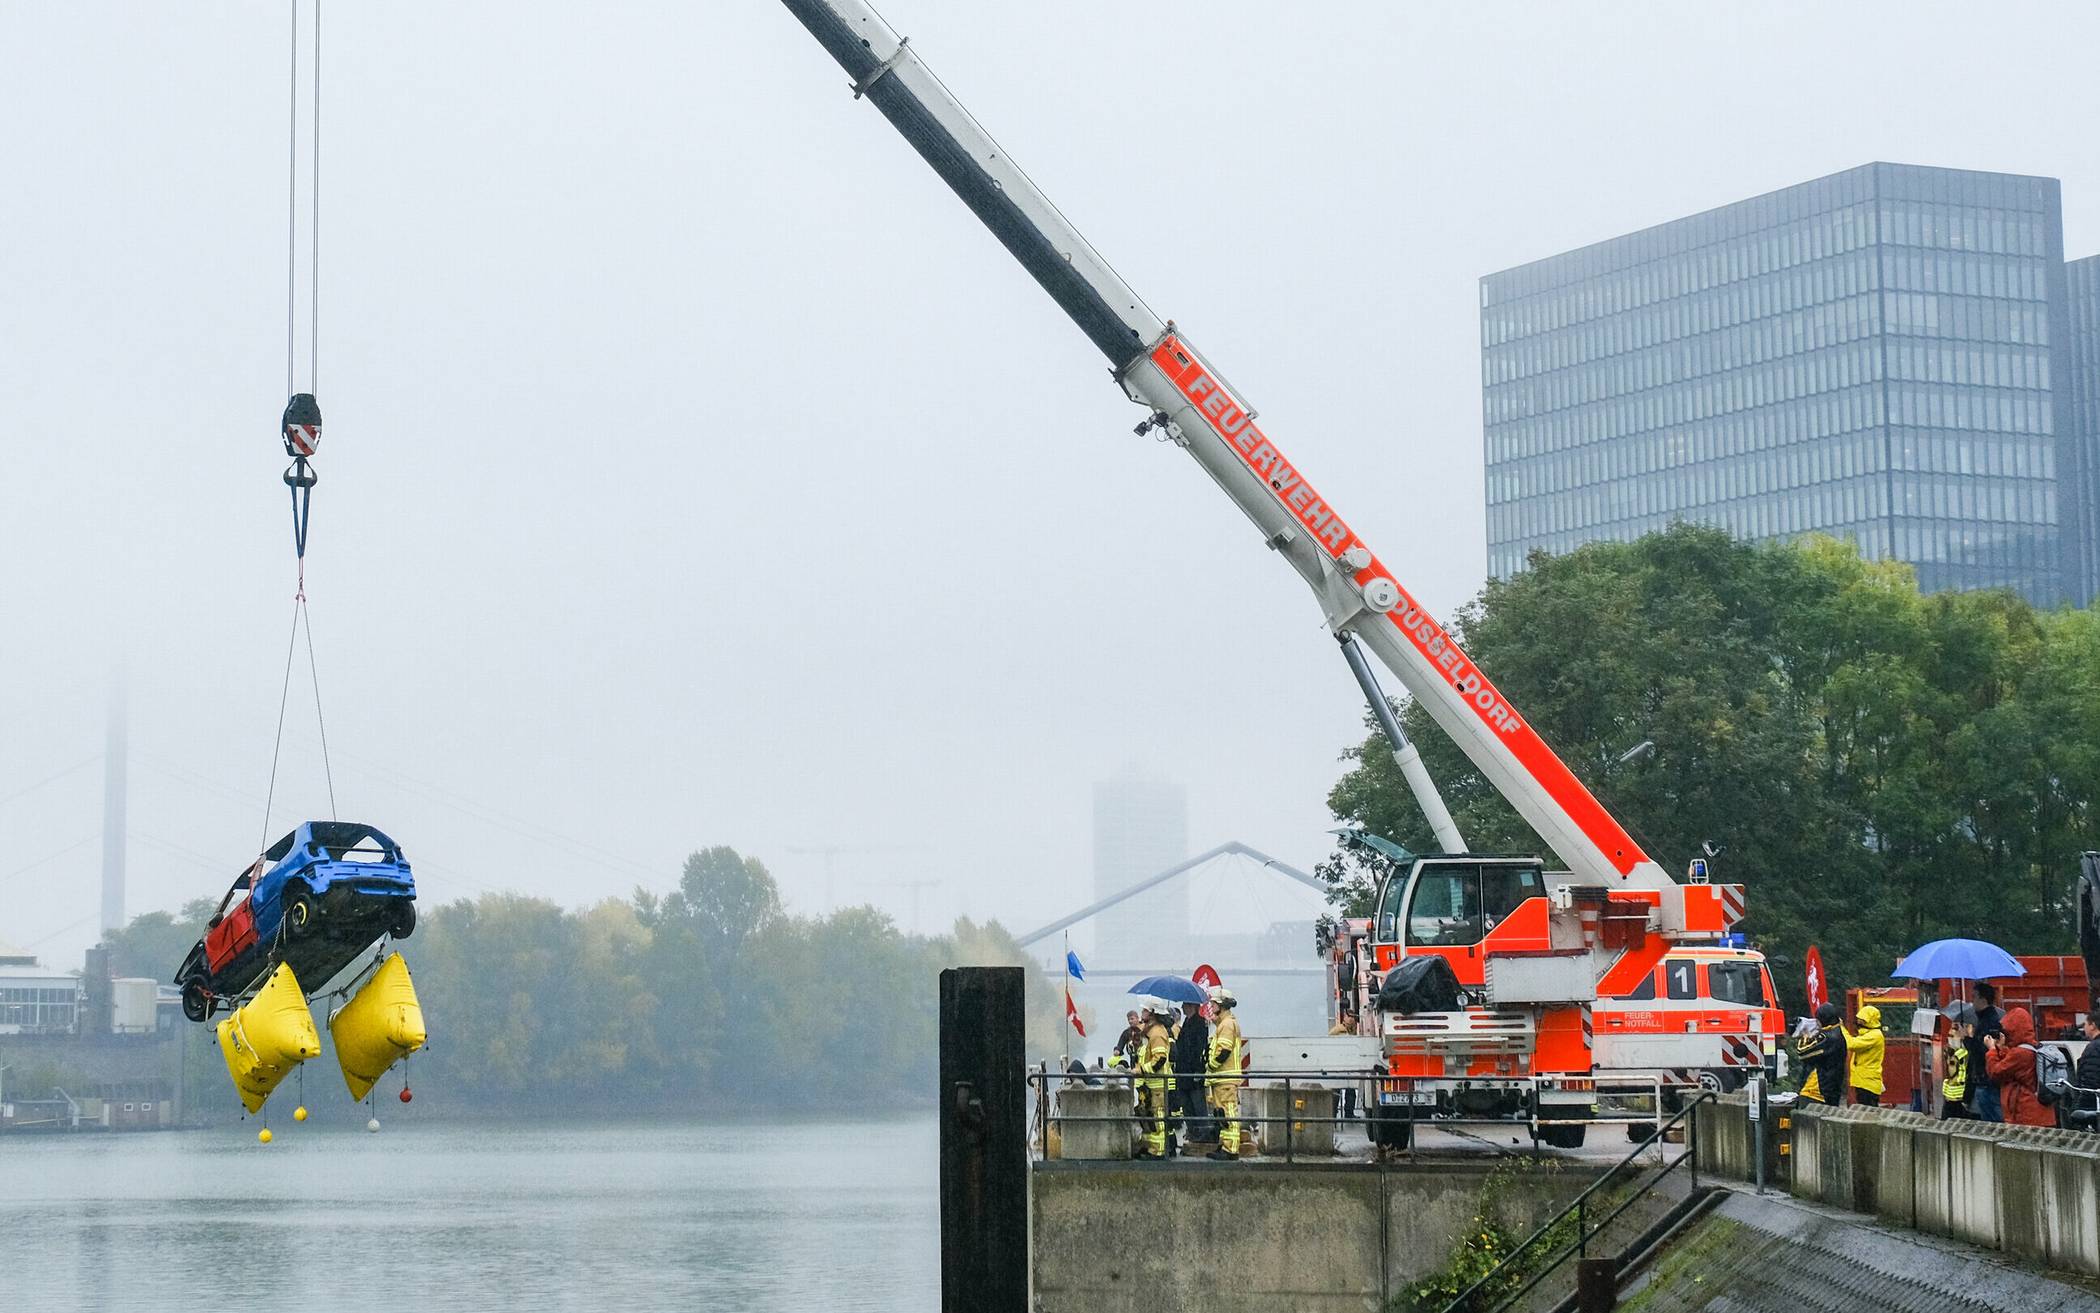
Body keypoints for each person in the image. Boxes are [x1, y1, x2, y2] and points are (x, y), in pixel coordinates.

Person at [1984, 1005, 2056, 1127]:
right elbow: (2012, 1065)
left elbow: (1996, 1072)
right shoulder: (2034, 1048)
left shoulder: (2020, 1053)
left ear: (2013, 1030)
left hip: (2026, 1115)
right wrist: (2001, 1048)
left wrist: (1991, 1050)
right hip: (2041, 1113)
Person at [1205, 985, 1245, 1160]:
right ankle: (1225, 1146)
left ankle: (1231, 1150)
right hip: (1221, 1078)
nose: (1211, 1007)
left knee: (1228, 1113)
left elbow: (1224, 1051)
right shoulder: (1223, 1024)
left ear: (1221, 1005)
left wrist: (1210, 1066)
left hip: (1225, 1077)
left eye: (1213, 1004)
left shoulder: (1227, 1025)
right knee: (1221, 1114)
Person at [1132, 1001, 1176, 1159]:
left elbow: (1160, 1059)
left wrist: (1141, 1070)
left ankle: (1159, 1152)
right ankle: (1148, 1147)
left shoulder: (1157, 1032)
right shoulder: (1149, 1031)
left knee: (1157, 1119)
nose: (1141, 1012)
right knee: (1148, 1118)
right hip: (1147, 1085)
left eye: (1144, 1009)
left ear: (1152, 1013)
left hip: (1157, 1085)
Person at [1170, 998, 1211, 1148]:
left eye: (1185, 1005)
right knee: (1187, 1105)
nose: (1182, 1007)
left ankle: (1202, 1133)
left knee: (1197, 1104)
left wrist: (1198, 1071)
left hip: (1193, 1071)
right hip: (1182, 1071)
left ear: (1192, 1006)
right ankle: (1192, 1131)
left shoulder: (1200, 1023)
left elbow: (1199, 1049)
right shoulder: (1186, 1023)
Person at [1794, 1002, 1846, 1105]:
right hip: (1831, 1088)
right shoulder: (1838, 1031)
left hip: (1817, 1091)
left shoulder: (1828, 1037)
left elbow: (1802, 1052)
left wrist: (1805, 1034)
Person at [1971, 983, 2005, 1123]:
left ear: (1983, 1000)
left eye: (1974, 997)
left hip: (1987, 1083)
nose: (1972, 1002)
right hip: (1984, 1082)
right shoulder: (1985, 1019)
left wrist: (1967, 1039)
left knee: (1993, 1124)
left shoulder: (1989, 1022)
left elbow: (1983, 1050)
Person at [1844, 1004, 1886, 1107]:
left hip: (1868, 1082)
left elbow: (1851, 1044)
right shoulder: (1867, 1034)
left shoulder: (1875, 1035)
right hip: (1862, 1080)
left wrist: (1841, 1029)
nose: (1859, 1021)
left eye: (1862, 1019)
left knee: (1868, 1110)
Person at [1940, 1011, 1975, 1119]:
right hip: (1957, 1099)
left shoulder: (1959, 1053)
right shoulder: (1957, 1053)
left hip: (1957, 1099)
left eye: (1955, 1029)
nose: (1950, 1033)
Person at [1329, 1008, 1360, 1119]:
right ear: (1344, 1017)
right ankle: (1333, 1113)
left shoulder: (1351, 1030)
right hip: (1338, 1064)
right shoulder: (1339, 1030)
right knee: (1336, 1090)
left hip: (1348, 1064)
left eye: (1353, 1017)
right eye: (1350, 1016)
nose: (1352, 1019)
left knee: (1350, 1090)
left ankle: (1349, 1113)